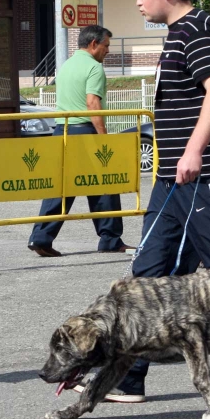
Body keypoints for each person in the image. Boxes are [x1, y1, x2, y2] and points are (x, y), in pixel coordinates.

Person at [75, 0, 210, 402]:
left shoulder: (197, 30)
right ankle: (127, 378)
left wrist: (192, 150)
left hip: (204, 174)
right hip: (174, 181)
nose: (136, 2)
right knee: (146, 277)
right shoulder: (178, 33)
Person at [28, 25, 133, 257]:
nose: (108, 50)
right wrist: (104, 139)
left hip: (62, 132)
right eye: (106, 46)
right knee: (105, 184)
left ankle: (41, 237)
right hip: (85, 132)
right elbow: (92, 103)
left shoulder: (66, 66)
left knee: (62, 188)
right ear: (94, 44)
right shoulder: (94, 68)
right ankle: (110, 239)